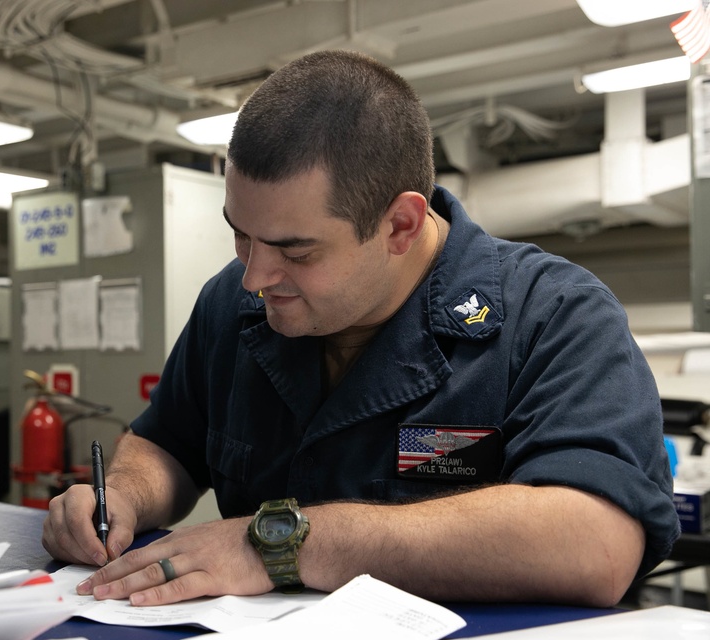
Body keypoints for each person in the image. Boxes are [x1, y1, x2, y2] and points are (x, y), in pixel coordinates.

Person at [42, 50, 679, 608]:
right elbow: (169, 445)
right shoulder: (229, 309)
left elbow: (595, 542)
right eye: (241, 233)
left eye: (296, 251)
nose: (255, 277)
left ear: (401, 225)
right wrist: (121, 494)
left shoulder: (553, 315)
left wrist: (279, 545)